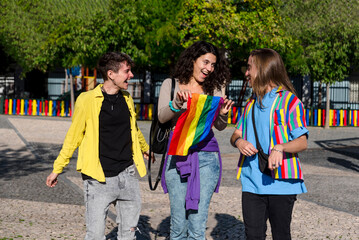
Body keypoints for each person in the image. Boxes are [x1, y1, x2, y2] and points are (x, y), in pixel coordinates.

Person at [46, 52, 150, 240]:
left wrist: (144, 148)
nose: (131, 75)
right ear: (111, 74)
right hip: (98, 179)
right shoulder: (86, 100)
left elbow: (133, 128)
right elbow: (73, 136)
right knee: (95, 236)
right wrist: (57, 168)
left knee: (129, 235)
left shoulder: (127, 98)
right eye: (127, 71)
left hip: (128, 176)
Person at [158, 41, 234, 240]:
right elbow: (162, 117)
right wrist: (176, 103)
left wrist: (223, 114)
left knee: (197, 226)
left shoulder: (215, 88)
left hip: (207, 156)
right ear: (193, 60)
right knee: (178, 227)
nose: (209, 68)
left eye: (213, 65)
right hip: (177, 154)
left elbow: (219, 126)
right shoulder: (171, 84)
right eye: (205, 62)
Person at [230, 48, 308, 240]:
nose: (246, 73)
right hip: (251, 183)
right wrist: (239, 141)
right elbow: (235, 134)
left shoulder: (290, 101)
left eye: (249, 68)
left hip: (282, 183)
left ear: (264, 69)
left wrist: (280, 148)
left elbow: (302, 141)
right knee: (253, 236)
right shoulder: (250, 103)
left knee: (281, 235)